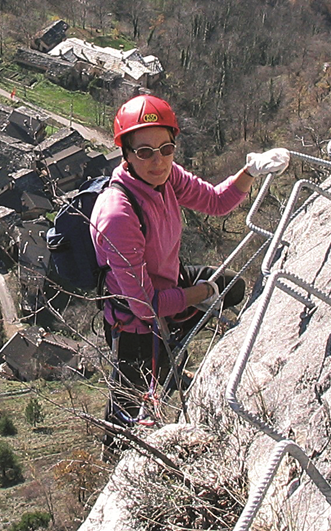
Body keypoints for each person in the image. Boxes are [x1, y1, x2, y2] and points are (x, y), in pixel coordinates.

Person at [90, 93, 289, 449]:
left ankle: (173, 368)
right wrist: (203, 293)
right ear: (126, 154)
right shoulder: (119, 214)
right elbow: (146, 306)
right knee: (127, 412)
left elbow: (216, 201)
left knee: (232, 288)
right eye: (144, 152)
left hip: (170, 284)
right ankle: (112, 456)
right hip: (135, 323)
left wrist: (250, 171)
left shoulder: (167, 178)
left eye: (166, 149)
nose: (158, 161)